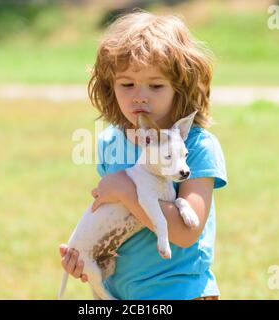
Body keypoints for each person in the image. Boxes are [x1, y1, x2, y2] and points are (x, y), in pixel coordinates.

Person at [59, 9, 227, 300]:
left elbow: (186, 234)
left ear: (181, 87)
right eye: (127, 84)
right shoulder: (111, 142)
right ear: (110, 87)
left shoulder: (199, 147)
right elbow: (115, 221)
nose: (139, 96)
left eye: (156, 85)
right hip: (120, 292)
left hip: (179, 292)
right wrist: (87, 254)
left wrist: (127, 191)